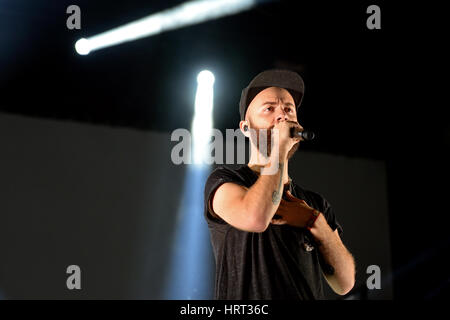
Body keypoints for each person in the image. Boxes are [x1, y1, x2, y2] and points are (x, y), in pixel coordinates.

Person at [203, 69, 355, 300]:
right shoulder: (225, 181)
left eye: (288, 109)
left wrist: (315, 222)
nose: (282, 116)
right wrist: (279, 149)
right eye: (269, 109)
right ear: (245, 128)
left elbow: (344, 284)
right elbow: (255, 218)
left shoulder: (314, 204)